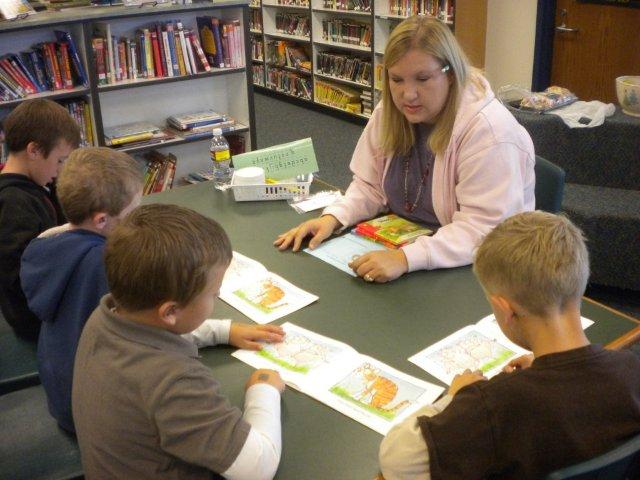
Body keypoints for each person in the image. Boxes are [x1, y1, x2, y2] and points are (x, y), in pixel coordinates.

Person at [378, 211, 640, 480]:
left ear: (505, 310)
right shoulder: (631, 369)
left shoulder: (491, 405)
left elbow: (397, 461)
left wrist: (453, 398)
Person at [275, 16, 535, 283]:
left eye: (423, 79)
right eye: (397, 79)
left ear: (451, 74)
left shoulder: (490, 133)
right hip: (409, 249)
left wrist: (406, 258)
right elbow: (370, 185)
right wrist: (334, 217)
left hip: (470, 268)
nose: (408, 94)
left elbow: (482, 229)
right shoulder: (391, 113)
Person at [73, 204, 286, 480]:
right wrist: (263, 390)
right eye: (213, 293)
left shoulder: (106, 316)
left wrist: (224, 330)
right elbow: (258, 468)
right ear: (170, 311)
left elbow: (156, 330)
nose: (217, 298)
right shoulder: (173, 382)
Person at [20, 147, 143, 433]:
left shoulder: (46, 246)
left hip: (63, 395)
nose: (137, 218)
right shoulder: (107, 265)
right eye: (133, 211)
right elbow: (151, 328)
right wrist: (222, 331)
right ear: (102, 220)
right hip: (96, 415)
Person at [0, 99, 80, 339]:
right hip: (37, 319)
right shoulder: (14, 203)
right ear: (34, 150)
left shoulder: (36, 185)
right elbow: (20, 278)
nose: (59, 170)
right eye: (59, 160)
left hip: (47, 301)